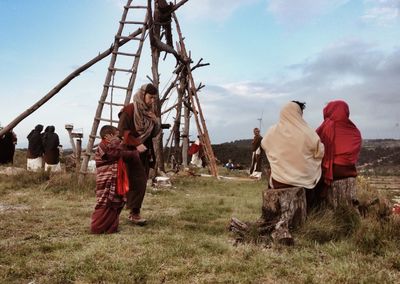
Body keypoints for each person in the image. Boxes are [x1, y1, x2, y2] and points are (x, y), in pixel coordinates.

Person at [118, 83, 161, 225]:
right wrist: (136, 143)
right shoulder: (129, 110)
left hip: (143, 152)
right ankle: (116, 211)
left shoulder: (150, 113)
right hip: (129, 151)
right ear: (143, 95)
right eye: (150, 97)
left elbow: (153, 134)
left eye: (155, 98)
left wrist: (156, 123)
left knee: (140, 182)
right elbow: (122, 131)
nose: (152, 101)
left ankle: (134, 213)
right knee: (128, 182)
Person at [261, 101, 324, 190]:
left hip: (279, 181)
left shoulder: (271, 131)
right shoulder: (308, 132)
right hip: (305, 182)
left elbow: (264, 144)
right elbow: (320, 152)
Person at [91, 125, 138, 234]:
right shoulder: (102, 146)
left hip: (115, 179)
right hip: (106, 179)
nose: (118, 139)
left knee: (115, 203)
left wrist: (135, 154)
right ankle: (97, 228)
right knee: (105, 202)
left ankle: (110, 228)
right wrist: (132, 152)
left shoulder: (112, 145)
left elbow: (121, 153)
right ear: (108, 136)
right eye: (116, 136)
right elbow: (114, 154)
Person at [316, 100, 362, 187]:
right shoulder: (355, 131)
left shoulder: (325, 127)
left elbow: (314, 145)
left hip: (327, 170)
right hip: (348, 171)